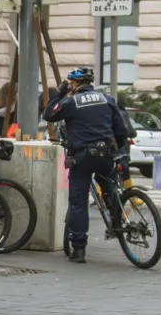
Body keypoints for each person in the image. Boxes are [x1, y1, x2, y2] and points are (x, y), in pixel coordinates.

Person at [42, 67, 128, 264]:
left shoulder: (71, 102)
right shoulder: (107, 99)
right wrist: (117, 149)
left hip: (82, 157)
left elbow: (49, 114)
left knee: (78, 203)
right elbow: (121, 129)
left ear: (73, 84)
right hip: (106, 154)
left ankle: (79, 249)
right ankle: (117, 220)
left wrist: (60, 93)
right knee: (108, 185)